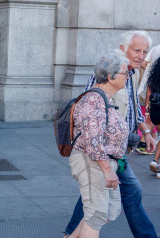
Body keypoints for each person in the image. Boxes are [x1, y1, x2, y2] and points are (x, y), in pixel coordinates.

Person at [64, 30, 158, 238]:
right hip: (102, 153)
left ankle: (70, 234)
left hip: (115, 152)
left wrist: (146, 131)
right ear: (123, 48)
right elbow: (91, 119)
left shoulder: (129, 74)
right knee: (114, 200)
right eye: (137, 50)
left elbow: (133, 109)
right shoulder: (112, 74)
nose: (141, 56)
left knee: (98, 201)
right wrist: (106, 168)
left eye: (145, 51)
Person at [68, 53, 129, 238]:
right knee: (96, 215)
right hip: (92, 162)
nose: (128, 77)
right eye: (126, 73)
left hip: (104, 162)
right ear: (110, 77)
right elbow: (93, 142)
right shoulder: (94, 100)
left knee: (110, 211)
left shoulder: (105, 98)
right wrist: (107, 170)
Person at [136, 45, 160, 155]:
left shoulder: (156, 48)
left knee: (150, 121)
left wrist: (151, 72)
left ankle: (144, 143)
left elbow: (144, 64)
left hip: (154, 101)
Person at [146, 57, 160, 179]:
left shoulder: (154, 78)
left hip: (155, 112)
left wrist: (147, 112)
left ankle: (155, 161)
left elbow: (148, 93)